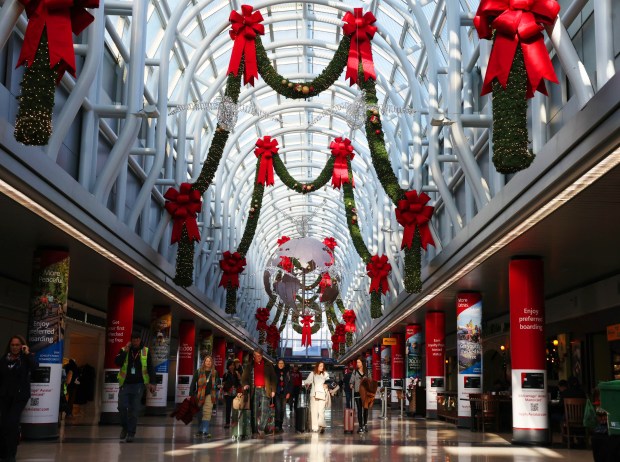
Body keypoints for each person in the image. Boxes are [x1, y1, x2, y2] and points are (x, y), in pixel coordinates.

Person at [0, 335, 38, 462]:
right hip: (5, 396)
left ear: (22, 346)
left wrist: (27, 353)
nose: (15, 347)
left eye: (17, 345)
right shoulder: (4, 359)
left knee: (12, 422)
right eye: (12, 345)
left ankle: (11, 454)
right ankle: (4, 452)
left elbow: (34, 367)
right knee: (4, 424)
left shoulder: (25, 358)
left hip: (20, 396)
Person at [115, 332, 156, 443]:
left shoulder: (145, 351)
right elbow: (117, 362)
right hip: (125, 384)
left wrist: (152, 382)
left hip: (139, 385)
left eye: (137, 339)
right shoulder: (125, 349)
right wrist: (126, 350)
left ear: (140, 340)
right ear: (131, 340)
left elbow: (151, 367)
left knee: (134, 410)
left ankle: (131, 433)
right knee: (121, 407)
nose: (135, 341)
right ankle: (124, 427)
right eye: (133, 340)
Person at [241, 348, 276, 438]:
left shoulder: (268, 365)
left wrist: (273, 390)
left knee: (265, 410)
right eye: (256, 355)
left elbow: (273, 378)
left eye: (260, 355)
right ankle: (255, 430)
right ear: (254, 355)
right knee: (254, 411)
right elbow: (244, 378)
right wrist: (245, 385)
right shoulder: (249, 365)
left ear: (262, 355)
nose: (258, 357)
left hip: (265, 389)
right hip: (254, 390)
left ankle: (261, 428)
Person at [190, 355, 218, 438]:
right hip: (199, 395)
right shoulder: (198, 371)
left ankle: (205, 431)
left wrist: (218, 385)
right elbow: (193, 382)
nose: (208, 362)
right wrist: (191, 394)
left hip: (210, 394)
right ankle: (200, 430)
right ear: (204, 362)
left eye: (210, 361)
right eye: (207, 361)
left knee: (207, 412)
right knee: (199, 413)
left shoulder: (215, 372)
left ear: (212, 362)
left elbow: (217, 382)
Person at [303, 360, 329, 433]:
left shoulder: (325, 374)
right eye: (320, 366)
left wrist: (327, 384)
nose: (322, 367)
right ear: (317, 366)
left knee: (321, 411)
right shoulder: (312, 374)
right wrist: (306, 383)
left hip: (323, 395)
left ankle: (321, 425)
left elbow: (329, 382)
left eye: (323, 366)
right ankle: (315, 428)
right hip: (314, 395)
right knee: (314, 412)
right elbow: (307, 381)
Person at [273, 359, 292, 433]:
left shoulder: (287, 372)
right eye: (279, 363)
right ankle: (277, 425)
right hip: (277, 393)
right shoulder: (274, 371)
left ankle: (280, 425)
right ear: (277, 364)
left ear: (284, 364)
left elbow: (290, 383)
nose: (281, 364)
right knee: (278, 408)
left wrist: (289, 393)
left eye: (282, 363)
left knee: (283, 409)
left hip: (284, 393)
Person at [351, 356, 369, 433]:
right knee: (359, 410)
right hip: (357, 393)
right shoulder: (355, 372)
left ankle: (365, 424)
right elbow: (351, 381)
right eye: (357, 362)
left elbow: (370, 381)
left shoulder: (367, 372)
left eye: (359, 362)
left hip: (365, 393)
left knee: (365, 410)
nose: (357, 364)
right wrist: (351, 384)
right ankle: (360, 426)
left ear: (362, 363)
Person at [221, 361, 241, 428]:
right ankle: (227, 423)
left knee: (235, 408)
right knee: (228, 408)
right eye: (230, 365)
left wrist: (239, 377)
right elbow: (223, 384)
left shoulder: (236, 373)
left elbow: (239, 383)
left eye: (233, 365)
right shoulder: (226, 374)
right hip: (228, 393)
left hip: (235, 393)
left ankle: (234, 422)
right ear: (228, 366)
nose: (232, 366)